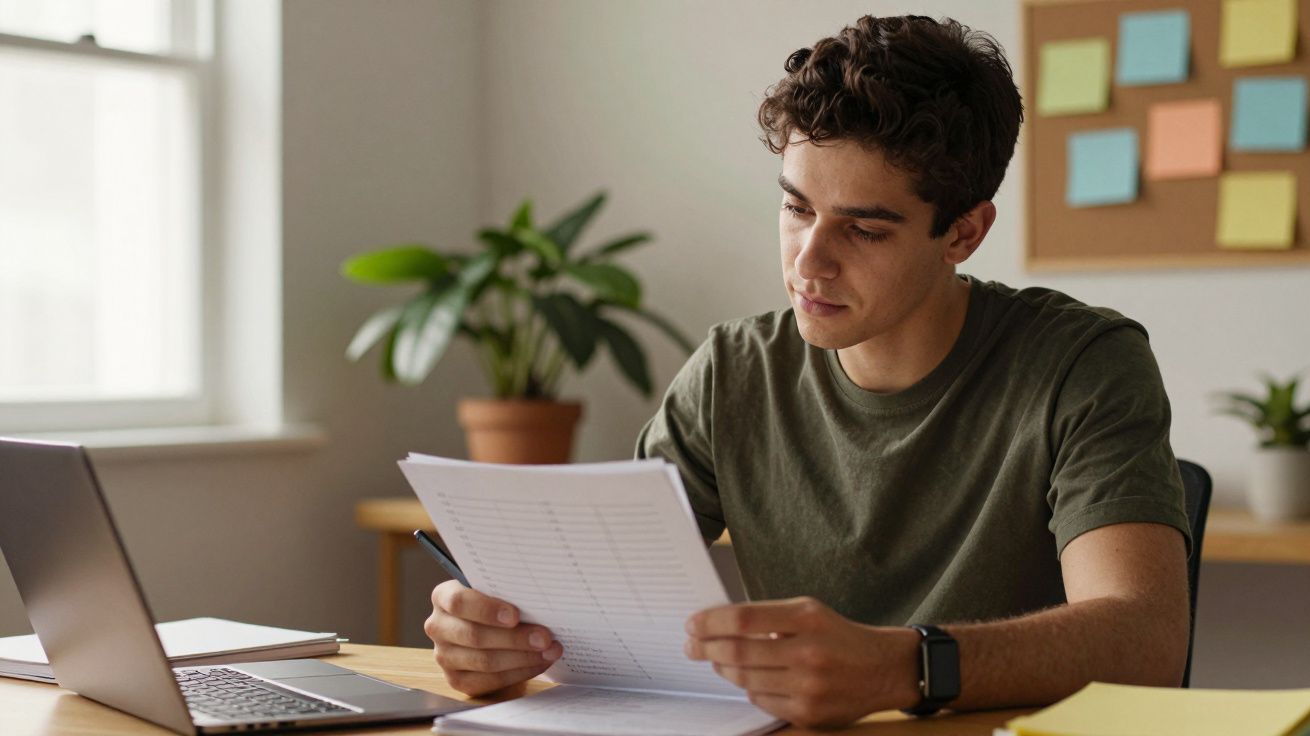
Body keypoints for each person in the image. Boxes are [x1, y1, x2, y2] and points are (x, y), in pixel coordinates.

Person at [423, 14, 1191, 729]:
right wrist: (498, 638)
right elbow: (603, 611)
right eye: (796, 209)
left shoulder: (1082, 364)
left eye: (862, 228)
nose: (809, 262)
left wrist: (906, 667)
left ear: (963, 232)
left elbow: (1145, 637)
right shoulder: (732, 372)